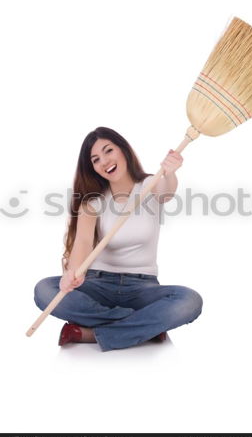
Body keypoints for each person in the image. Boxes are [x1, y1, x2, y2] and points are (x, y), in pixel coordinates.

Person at [34, 127, 203, 352]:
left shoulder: (150, 185)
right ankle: (143, 326)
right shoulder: (92, 201)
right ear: (92, 168)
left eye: (108, 151)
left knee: (189, 301)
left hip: (143, 288)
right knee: (44, 289)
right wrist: (72, 273)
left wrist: (170, 172)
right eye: (96, 160)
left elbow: (166, 192)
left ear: (123, 150)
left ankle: (91, 334)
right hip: (98, 285)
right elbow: (83, 242)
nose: (104, 161)